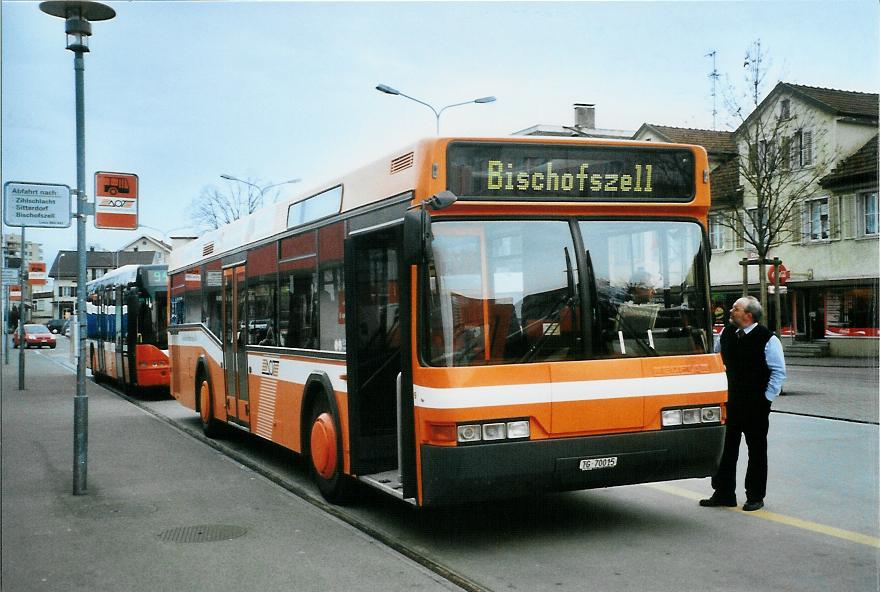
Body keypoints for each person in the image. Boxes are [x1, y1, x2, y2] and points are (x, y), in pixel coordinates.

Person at [700, 296, 786, 512]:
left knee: (756, 451)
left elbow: (778, 372)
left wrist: (766, 399)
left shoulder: (768, 339)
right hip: (729, 403)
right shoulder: (726, 333)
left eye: (735, 308)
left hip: (755, 405)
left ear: (748, 315)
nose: (731, 311)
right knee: (726, 450)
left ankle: (755, 496)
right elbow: (716, 359)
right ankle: (724, 493)